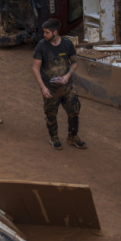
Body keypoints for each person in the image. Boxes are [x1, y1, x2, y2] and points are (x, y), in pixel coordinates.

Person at [32, 18, 86, 150]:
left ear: (55, 32)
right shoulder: (41, 46)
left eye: (46, 32)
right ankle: (54, 138)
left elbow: (74, 62)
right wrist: (43, 88)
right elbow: (35, 68)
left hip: (67, 88)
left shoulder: (67, 44)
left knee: (74, 111)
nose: (44, 35)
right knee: (51, 114)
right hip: (50, 89)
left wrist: (67, 76)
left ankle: (73, 136)